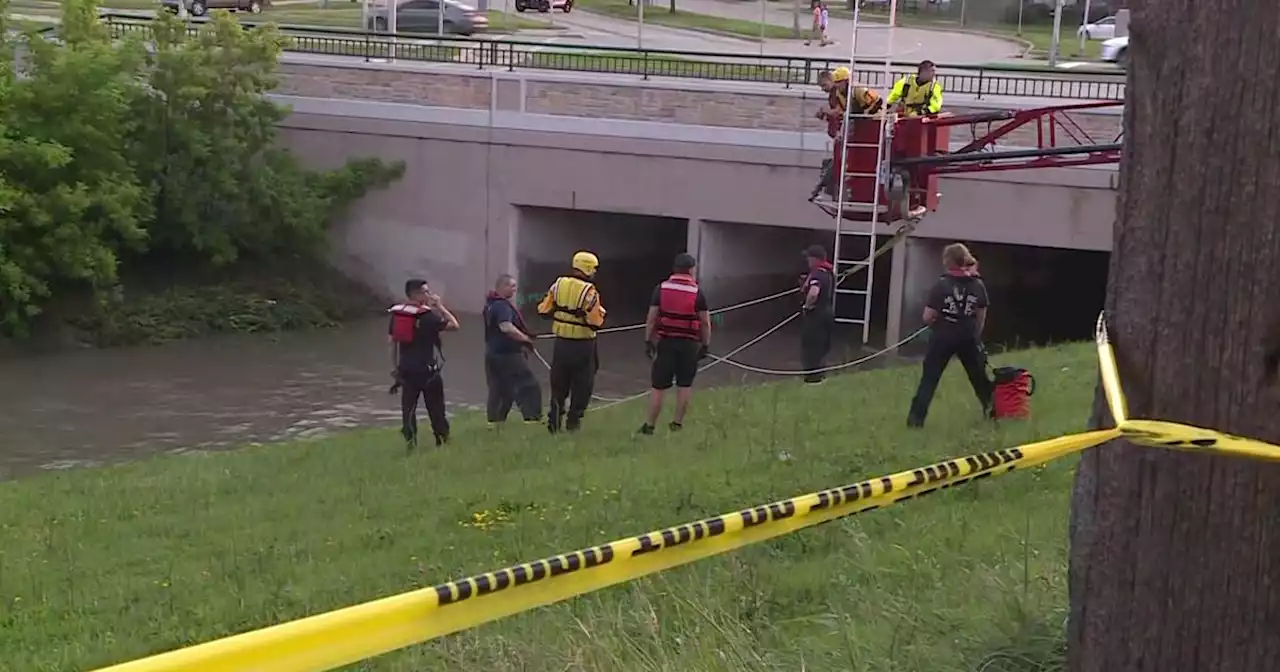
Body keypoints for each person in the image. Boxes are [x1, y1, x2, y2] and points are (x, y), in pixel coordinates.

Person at [906, 242, 993, 428]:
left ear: (948, 261)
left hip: (943, 337)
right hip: (968, 336)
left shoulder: (941, 285)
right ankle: (992, 410)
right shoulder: (978, 284)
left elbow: (928, 317)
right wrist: (975, 335)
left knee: (930, 378)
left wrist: (936, 321)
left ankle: (916, 419)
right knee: (978, 377)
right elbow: (981, 314)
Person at [639, 253, 712, 435]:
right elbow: (705, 322)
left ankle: (649, 426)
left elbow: (652, 317)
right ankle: (677, 424)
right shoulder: (697, 292)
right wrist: (705, 345)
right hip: (689, 345)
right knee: (684, 385)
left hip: (666, 342)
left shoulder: (661, 289)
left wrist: (648, 340)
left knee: (658, 387)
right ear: (691, 270)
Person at [537, 251, 607, 433]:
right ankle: (573, 423)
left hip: (561, 345)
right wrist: (601, 313)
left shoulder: (558, 284)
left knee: (559, 384)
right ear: (588, 268)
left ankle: (554, 422)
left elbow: (543, 310)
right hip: (583, 346)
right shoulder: (589, 291)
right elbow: (595, 322)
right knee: (583, 385)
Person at [388, 279, 459, 450]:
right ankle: (442, 441)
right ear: (415, 294)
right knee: (436, 408)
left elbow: (392, 342)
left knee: (409, 409)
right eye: (426, 292)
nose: (429, 295)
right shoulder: (427, 316)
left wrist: (395, 367)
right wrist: (440, 307)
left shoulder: (398, 315)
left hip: (406, 370)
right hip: (427, 370)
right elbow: (455, 326)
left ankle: (410, 443)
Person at [810, 67, 884, 201]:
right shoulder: (838, 94)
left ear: (845, 81)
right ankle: (836, 189)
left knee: (854, 158)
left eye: (837, 83)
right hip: (856, 128)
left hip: (872, 125)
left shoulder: (858, 90)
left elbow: (878, 102)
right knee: (842, 159)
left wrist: (863, 116)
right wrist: (826, 114)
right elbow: (840, 112)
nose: (836, 86)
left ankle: (837, 187)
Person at [483, 274, 542, 427]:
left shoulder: (490, 305)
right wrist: (525, 339)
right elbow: (506, 327)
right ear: (502, 287)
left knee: (500, 389)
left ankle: (495, 422)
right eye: (512, 286)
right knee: (528, 385)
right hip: (508, 355)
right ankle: (532, 419)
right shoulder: (502, 306)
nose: (515, 290)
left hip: (492, 354)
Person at [799, 244, 835, 384]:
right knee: (822, 346)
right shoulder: (829, 272)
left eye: (808, 258)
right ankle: (820, 376)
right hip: (828, 313)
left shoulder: (817, 273)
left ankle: (811, 379)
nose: (807, 261)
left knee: (810, 347)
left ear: (814, 259)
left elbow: (814, 292)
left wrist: (807, 307)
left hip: (816, 316)